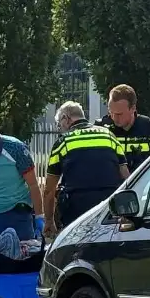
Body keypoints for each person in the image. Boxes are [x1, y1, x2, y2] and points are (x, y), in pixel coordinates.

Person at [43, 101, 129, 238]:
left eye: (59, 124)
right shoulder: (109, 136)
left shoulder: (63, 142)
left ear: (66, 118)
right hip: (109, 211)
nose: (60, 128)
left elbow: (49, 190)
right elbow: (126, 177)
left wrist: (48, 221)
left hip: (77, 213)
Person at [96, 84, 150, 172]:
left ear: (133, 108)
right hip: (111, 184)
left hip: (142, 183)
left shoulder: (149, 127)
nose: (114, 117)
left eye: (119, 114)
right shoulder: (101, 128)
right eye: (111, 112)